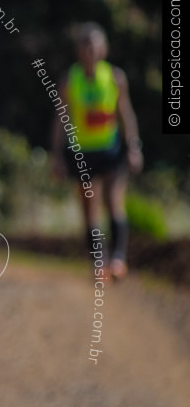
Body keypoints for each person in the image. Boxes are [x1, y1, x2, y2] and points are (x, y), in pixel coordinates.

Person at [51, 22, 142, 280]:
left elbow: (125, 113)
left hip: (110, 149)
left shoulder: (115, 77)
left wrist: (133, 146)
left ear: (104, 48)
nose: (90, 50)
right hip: (81, 153)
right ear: (79, 50)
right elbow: (61, 119)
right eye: (85, 44)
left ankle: (118, 259)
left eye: (94, 44)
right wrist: (57, 156)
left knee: (114, 200)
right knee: (89, 207)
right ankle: (99, 262)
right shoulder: (70, 79)